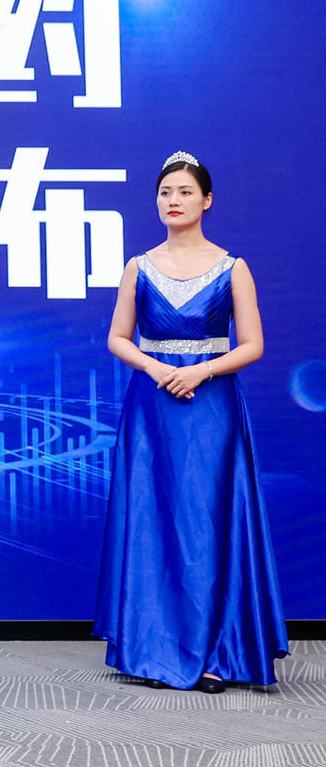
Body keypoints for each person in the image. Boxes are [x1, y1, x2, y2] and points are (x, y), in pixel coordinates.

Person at [94, 151, 285, 693]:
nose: (173, 201)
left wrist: (201, 370)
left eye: (184, 192)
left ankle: (217, 653)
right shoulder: (138, 266)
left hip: (211, 408)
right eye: (165, 193)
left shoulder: (232, 267)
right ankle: (152, 651)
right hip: (152, 406)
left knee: (208, 521)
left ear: (207, 200)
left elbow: (253, 344)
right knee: (153, 519)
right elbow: (117, 338)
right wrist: (156, 367)